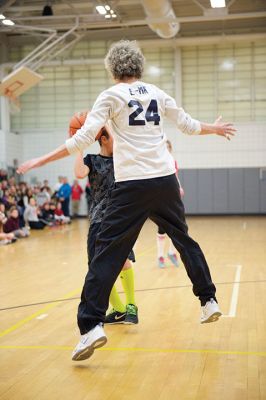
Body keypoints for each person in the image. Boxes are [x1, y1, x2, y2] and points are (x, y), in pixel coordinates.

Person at [17, 40, 236, 362]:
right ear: (140, 66)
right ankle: (209, 300)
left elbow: (82, 138)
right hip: (164, 181)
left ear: (112, 68)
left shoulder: (110, 95)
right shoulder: (157, 93)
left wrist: (40, 161)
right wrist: (214, 128)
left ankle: (91, 326)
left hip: (132, 184)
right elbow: (188, 126)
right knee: (184, 241)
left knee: (106, 254)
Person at [74, 126, 138, 325]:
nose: (116, 139)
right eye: (111, 136)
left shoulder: (122, 158)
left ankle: (131, 307)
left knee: (122, 261)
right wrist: (78, 146)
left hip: (119, 218)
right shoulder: (91, 161)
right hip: (97, 220)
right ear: (102, 138)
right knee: (97, 267)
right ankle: (118, 310)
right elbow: (79, 173)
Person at [157, 139, 184, 268]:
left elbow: (175, 177)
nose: (166, 149)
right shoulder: (156, 161)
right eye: (164, 147)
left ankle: (172, 252)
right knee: (161, 228)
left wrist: (179, 187)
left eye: (168, 147)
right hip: (159, 196)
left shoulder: (172, 161)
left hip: (172, 196)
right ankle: (160, 256)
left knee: (177, 225)